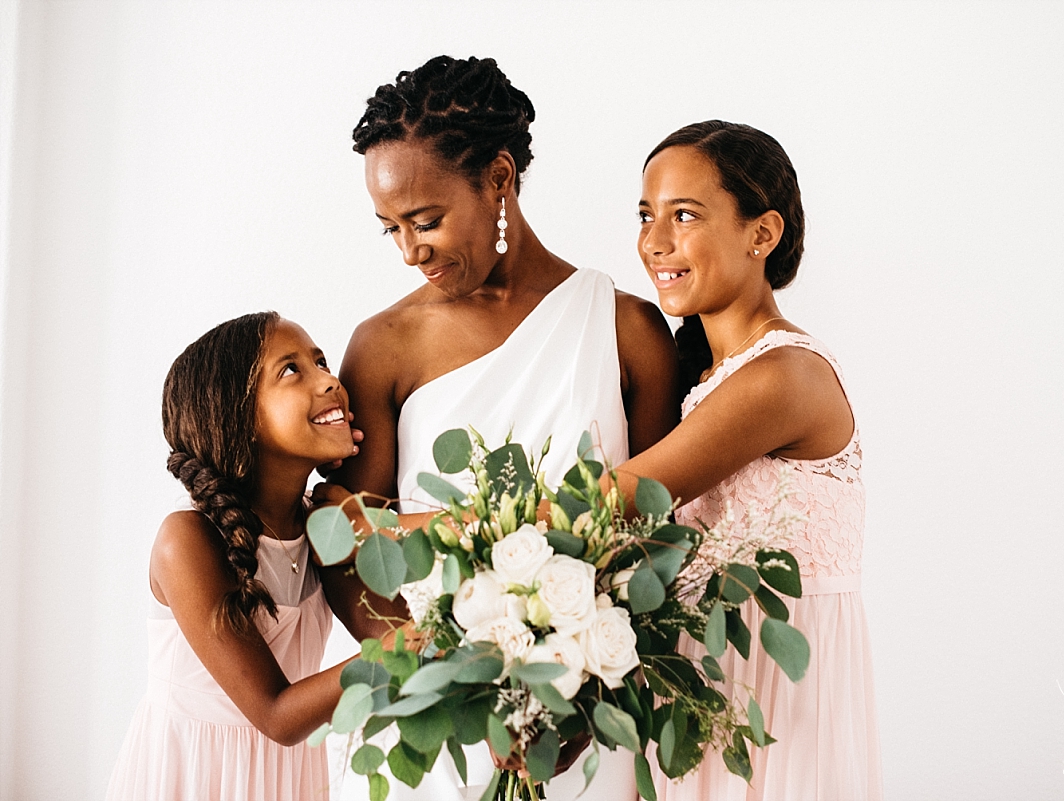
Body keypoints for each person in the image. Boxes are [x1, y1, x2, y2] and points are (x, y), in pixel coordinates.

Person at [323, 56, 679, 800]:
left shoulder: (629, 329)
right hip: (440, 722)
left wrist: (577, 695)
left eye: (425, 220)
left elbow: (664, 540)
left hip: (590, 717)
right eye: (389, 228)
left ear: (500, 178)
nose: (409, 250)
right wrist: (450, 681)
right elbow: (350, 544)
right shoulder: (384, 345)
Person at [606, 121, 883, 801]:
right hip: (701, 686)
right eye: (647, 215)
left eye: (685, 215)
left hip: (774, 690)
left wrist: (451, 530)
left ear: (762, 234)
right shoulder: (700, 380)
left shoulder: (783, 376)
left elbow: (615, 495)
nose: (654, 241)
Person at [107, 312, 388, 801]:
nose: (329, 380)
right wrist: (414, 648)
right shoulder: (189, 539)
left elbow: (382, 629)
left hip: (288, 779)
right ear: (239, 418)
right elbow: (278, 714)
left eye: (320, 361)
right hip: (197, 777)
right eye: (291, 370)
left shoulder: (324, 525)